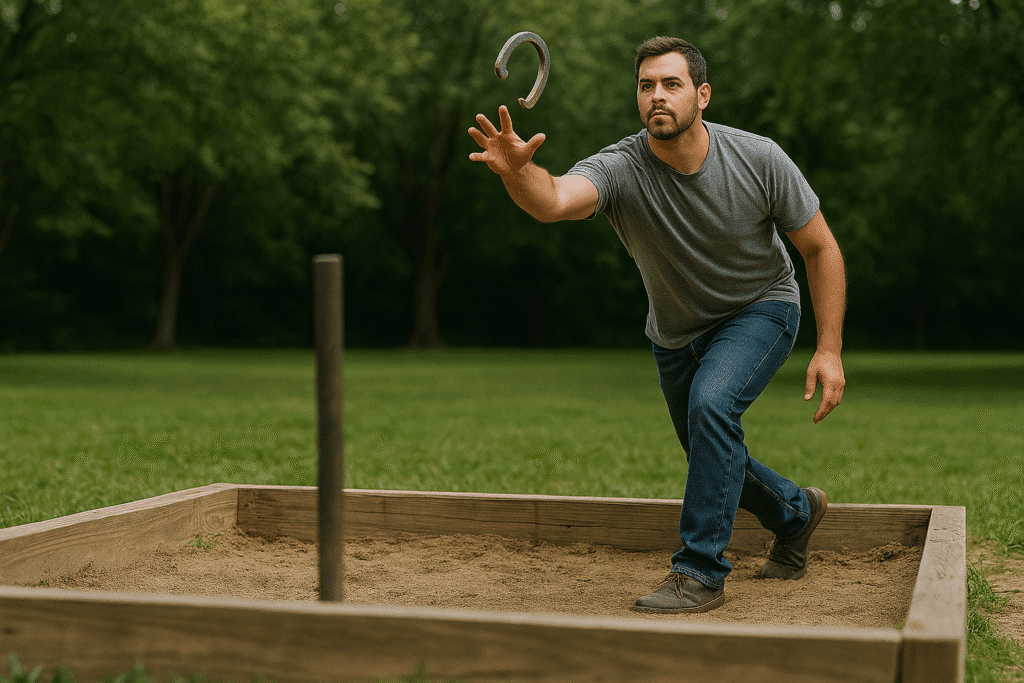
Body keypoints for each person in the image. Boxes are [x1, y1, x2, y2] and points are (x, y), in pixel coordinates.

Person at [468, 36, 846, 614]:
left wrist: (830, 351)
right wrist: (518, 174)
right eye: (646, 86)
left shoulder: (758, 158)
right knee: (711, 454)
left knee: (711, 409)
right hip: (675, 333)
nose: (657, 97)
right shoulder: (620, 167)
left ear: (702, 94)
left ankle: (699, 572)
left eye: (670, 84)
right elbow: (554, 200)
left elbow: (821, 250)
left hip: (762, 308)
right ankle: (796, 514)